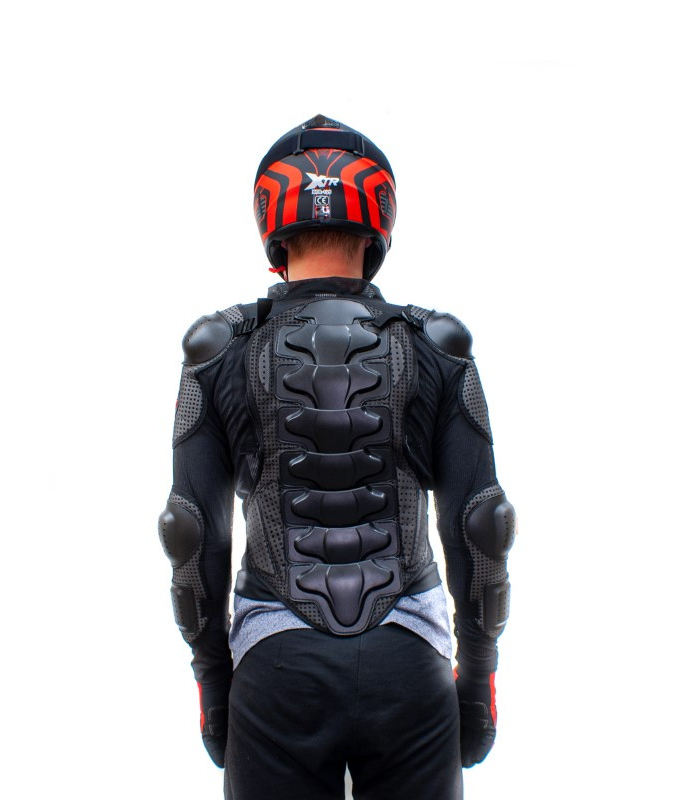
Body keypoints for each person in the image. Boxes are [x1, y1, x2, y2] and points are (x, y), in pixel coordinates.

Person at [158, 114, 516, 800]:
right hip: (409, 662)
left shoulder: (217, 349)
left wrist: (215, 685)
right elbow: (481, 524)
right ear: (378, 221)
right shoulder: (438, 345)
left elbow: (191, 531)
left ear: (273, 223)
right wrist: (478, 681)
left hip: (277, 666)